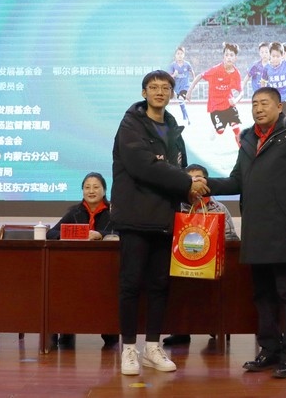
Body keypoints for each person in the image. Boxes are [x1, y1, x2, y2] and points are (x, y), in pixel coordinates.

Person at [208, 87, 286, 379]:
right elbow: (236, 181)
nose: (258, 108)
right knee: (262, 295)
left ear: (279, 107)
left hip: (284, 230)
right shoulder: (247, 139)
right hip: (255, 231)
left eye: (265, 103)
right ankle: (269, 350)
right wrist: (204, 183)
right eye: (254, 103)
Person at [111, 70, 209, 376]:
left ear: (171, 94)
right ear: (144, 93)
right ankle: (129, 349)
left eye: (165, 88)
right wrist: (186, 182)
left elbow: (181, 170)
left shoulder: (173, 129)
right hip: (134, 218)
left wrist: (191, 186)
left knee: (159, 285)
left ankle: (152, 347)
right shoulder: (131, 125)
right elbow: (144, 166)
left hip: (165, 218)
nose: (159, 92)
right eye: (153, 87)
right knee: (130, 285)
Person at [162, 163, 240, 347]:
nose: (195, 184)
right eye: (190, 180)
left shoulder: (219, 208)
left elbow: (232, 238)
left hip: (211, 266)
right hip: (182, 266)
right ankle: (180, 330)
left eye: (199, 179)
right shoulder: (175, 207)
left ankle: (214, 325)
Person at [46, 172, 118, 349]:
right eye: (87, 187)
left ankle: (110, 333)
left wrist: (100, 234)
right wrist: (72, 235)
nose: (91, 191)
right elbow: (51, 233)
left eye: (96, 187)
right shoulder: (74, 212)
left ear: (104, 190)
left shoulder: (114, 212)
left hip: (104, 268)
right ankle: (64, 330)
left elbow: (122, 233)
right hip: (76, 268)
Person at [186, 42, 243, 147]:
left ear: (236, 58)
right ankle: (216, 128)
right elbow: (200, 76)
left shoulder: (236, 74)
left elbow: (241, 92)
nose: (229, 57)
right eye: (226, 55)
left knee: (236, 128)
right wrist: (190, 90)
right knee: (220, 131)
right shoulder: (216, 70)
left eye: (231, 55)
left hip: (229, 104)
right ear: (223, 57)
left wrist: (235, 100)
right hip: (215, 105)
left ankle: (243, 151)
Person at [168, 46, 194, 125]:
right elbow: (169, 77)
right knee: (181, 102)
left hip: (185, 86)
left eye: (181, 53)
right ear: (175, 55)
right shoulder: (172, 65)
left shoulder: (187, 64)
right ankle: (185, 117)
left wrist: (194, 82)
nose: (179, 55)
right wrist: (174, 75)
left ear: (184, 55)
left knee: (181, 99)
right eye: (178, 54)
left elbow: (192, 72)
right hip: (177, 88)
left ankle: (186, 119)